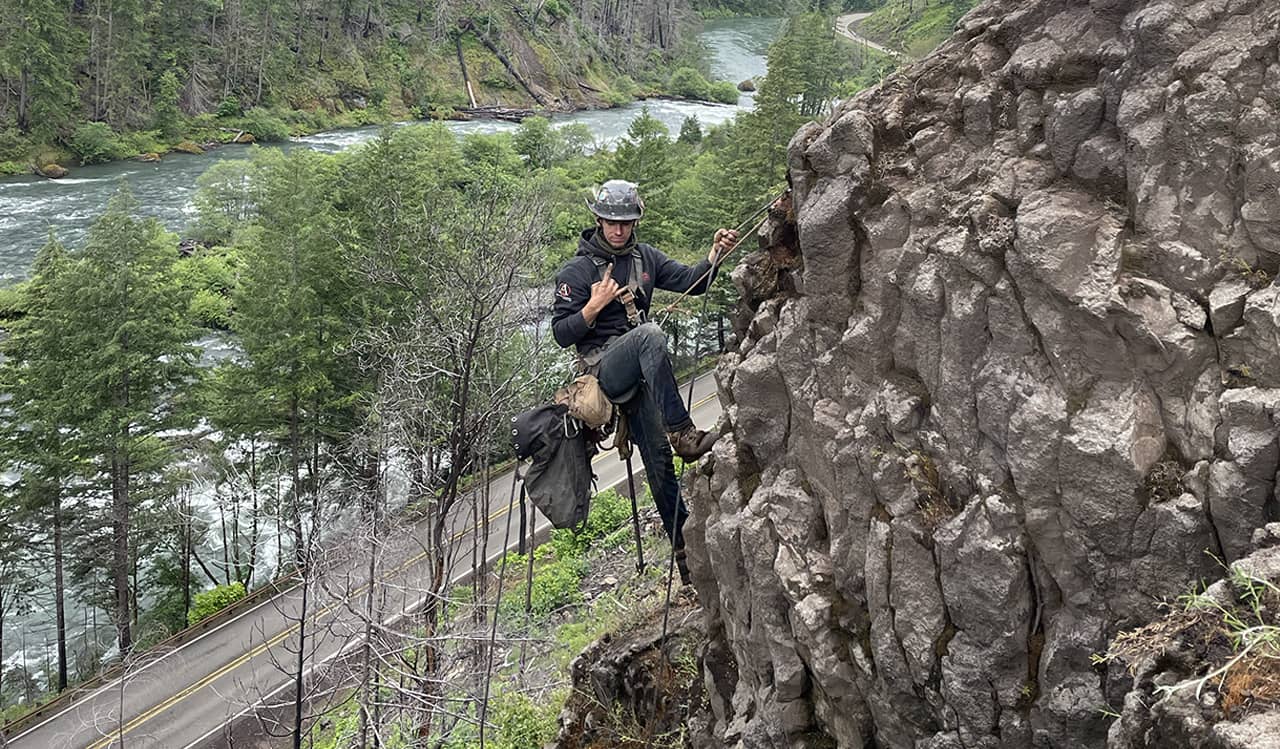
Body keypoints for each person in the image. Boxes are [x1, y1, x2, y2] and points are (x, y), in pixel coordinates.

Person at [551, 179, 737, 583]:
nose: (619, 230)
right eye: (611, 223)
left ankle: (687, 556)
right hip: (605, 371)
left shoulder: (644, 259)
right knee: (651, 334)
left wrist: (715, 255)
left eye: (626, 223)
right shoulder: (577, 271)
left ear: (635, 223)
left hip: (641, 376)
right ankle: (684, 432)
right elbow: (562, 333)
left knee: (658, 465)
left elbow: (695, 282)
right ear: (598, 220)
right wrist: (592, 307)